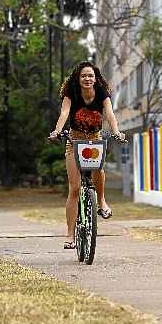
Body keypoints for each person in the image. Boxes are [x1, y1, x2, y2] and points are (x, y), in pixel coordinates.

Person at [49, 61, 125, 249]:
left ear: (95, 77)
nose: (87, 79)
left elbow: (110, 113)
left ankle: (101, 201)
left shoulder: (101, 93)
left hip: (94, 139)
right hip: (74, 141)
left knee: (98, 168)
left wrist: (116, 131)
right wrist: (57, 131)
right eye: (83, 75)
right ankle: (70, 235)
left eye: (90, 75)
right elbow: (64, 112)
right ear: (78, 78)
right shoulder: (72, 93)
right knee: (74, 189)